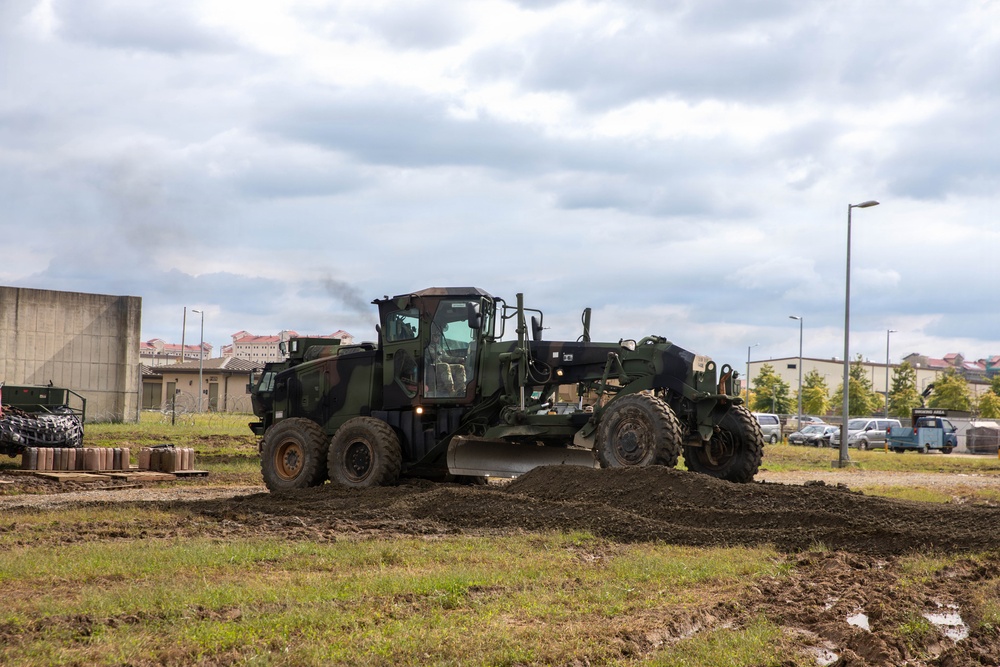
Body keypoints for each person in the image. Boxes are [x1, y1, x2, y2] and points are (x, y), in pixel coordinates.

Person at [427, 330, 466, 396]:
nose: (437, 337)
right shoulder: (426, 346)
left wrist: (457, 359)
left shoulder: (438, 346)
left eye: (438, 336)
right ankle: (451, 391)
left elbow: (446, 357)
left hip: (439, 365)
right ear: (430, 337)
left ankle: (461, 389)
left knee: (459, 367)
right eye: (435, 336)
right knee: (445, 366)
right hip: (430, 366)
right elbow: (432, 356)